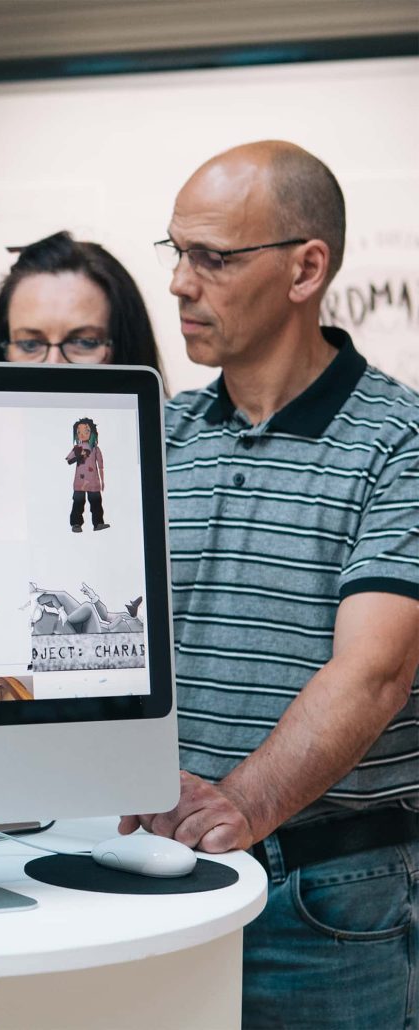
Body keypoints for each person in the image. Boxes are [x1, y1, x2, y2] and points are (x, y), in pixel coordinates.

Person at [119, 141, 419, 1028]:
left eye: (212, 257)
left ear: (306, 268)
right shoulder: (160, 435)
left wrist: (241, 805)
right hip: (157, 873)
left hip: (323, 897)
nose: (179, 283)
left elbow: (374, 670)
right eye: (174, 251)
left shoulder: (399, 441)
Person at [0, 230, 168, 390]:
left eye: (84, 342)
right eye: (30, 344)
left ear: (126, 349)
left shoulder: (170, 428)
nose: (53, 367)